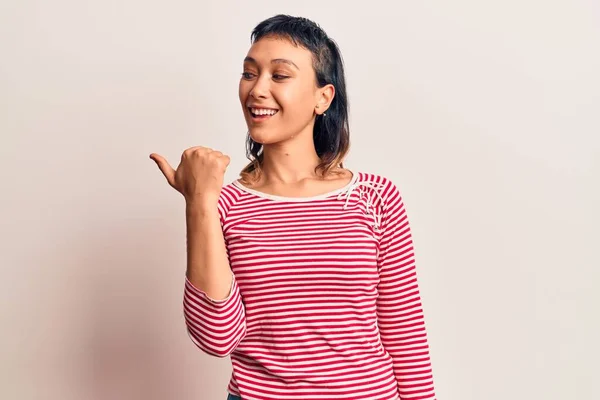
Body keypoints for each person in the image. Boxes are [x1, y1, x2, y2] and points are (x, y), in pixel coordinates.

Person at [150, 14, 436, 400]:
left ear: (323, 97)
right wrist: (200, 201)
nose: (257, 90)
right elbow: (217, 337)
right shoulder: (225, 205)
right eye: (249, 74)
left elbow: (404, 332)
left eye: (279, 75)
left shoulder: (376, 198)